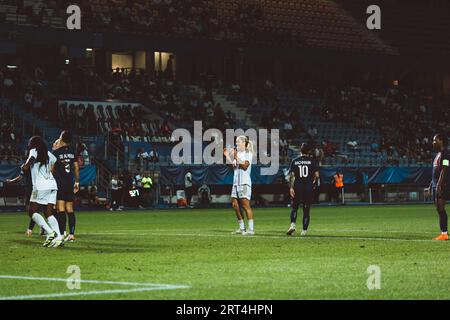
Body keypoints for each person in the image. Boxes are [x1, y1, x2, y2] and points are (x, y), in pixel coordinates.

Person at [21, 136, 63, 247]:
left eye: (30, 142)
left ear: (34, 144)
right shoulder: (48, 153)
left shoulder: (33, 151)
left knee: (31, 211)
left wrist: (25, 166)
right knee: (48, 213)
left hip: (40, 186)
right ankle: (59, 237)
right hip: (52, 185)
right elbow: (55, 162)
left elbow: (32, 159)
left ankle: (50, 233)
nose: (29, 144)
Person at [223, 135, 255, 235]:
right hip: (236, 183)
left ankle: (251, 229)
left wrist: (235, 156)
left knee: (246, 206)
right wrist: (227, 156)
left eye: (238, 142)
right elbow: (234, 166)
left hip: (244, 183)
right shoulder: (239, 153)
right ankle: (242, 228)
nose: (236, 144)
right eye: (236, 142)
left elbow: (245, 166)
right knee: (235, 205)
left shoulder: (247, 153)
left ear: (244, 143)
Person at [286, 142, 320, 236]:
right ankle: (304, 231)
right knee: (306, 209)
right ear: (309, 151)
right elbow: (317, 175)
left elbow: (292, 176)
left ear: (300, 150)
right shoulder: (312, 161)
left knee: (294, 208)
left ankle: (292, 225)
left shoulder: (295, 161)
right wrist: (314, 184)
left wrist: (291, 188)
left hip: (297, 187)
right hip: (308, 188)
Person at [52, 131, 79, 242]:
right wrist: (77, 182)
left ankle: (62, 233)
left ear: (62, 138)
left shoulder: (56, 152)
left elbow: (52, 169)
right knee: (70, 209)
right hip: (69, 183)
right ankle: (71, 234)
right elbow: (76, 168)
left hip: (59, 183)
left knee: (60, 209)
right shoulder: (73, 152)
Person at [427, 133, 450, 241]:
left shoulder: (445, 153)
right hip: (437, 183)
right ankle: (444, 233)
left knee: (440, 207)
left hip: (443, 184)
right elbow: (435, 171)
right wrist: (432, 184)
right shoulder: (438, 154)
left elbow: (445, 168)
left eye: (435, 140)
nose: (433, 142)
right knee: (439, 208)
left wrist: (439, 184)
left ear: (441, 141)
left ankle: (444, 234)